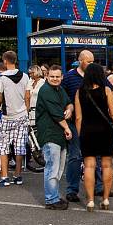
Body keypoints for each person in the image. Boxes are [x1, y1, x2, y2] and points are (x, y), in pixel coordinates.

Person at [75, 63, 113, 211]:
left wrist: (79, 134)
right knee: (107, 165)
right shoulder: (106, 90)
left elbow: (78, 117)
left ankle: (90, 201)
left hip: (87, 131)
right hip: (105, 130)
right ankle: (106, 199)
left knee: (89, 166)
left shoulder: (79, 92)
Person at [35, 65, 74, 209]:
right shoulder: (46, 90)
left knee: (58, 168)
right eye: (52, 76)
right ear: (47, 77)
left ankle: (55, 196)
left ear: (62, 77)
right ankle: (51, 199)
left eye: (57, 76)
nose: (55, 79)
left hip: (59, 135)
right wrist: (67, 128)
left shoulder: (59, 89)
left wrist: (69, 109)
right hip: (50, 134)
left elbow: (69, 102)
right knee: (52, 167)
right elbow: (56, 114)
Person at [61, 50, 95, 202]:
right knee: (75, 155)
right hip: (75, 122)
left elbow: (110, 90)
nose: (91, 64)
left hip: (94, 122)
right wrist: (68, 107)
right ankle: (72, 189)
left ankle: (99, 187)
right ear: (80, 61)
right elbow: (62, 95)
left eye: (93, 61)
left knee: (96, 155)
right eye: (88, 61)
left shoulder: (96, 75)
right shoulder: (69, 77)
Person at [0, 51, 30, 187]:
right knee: (19, 146)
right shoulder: (25, 76)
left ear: (5, 61)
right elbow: (27, 96)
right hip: (22, 116)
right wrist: (25, 110)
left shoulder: (1, 77)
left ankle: (4, 176)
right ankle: (18, 175)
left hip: (7, 116)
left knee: (3, 147)